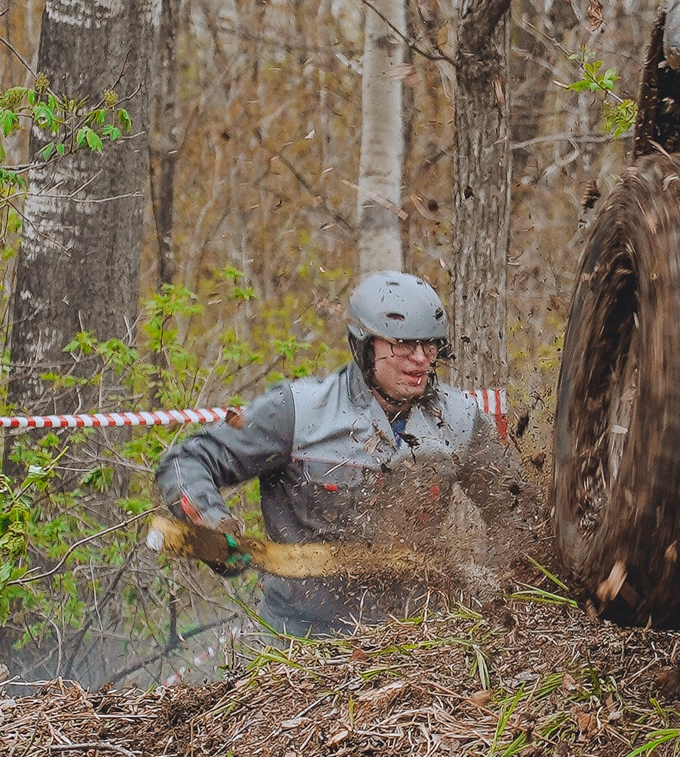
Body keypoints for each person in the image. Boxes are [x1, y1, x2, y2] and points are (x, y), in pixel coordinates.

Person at [156, 271, 526, 636]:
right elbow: (187, 461)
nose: (419, 360)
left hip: (412, 636)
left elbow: (519, 513)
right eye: (401, 345)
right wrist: (211, 525)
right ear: (365, 345)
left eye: (428, 346)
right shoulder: (299, 411)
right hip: (296, 636)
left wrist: (499, 584)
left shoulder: (460, 419)